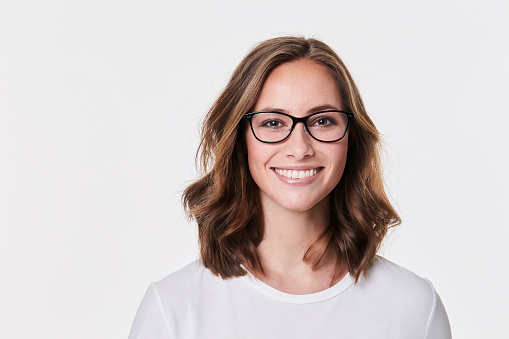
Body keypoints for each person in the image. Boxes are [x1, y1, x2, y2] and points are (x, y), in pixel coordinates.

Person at [128, 36, 451, 339]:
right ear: (241, 140)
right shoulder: (172, 310)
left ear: (352, 139)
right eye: (272, 122)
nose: (299, 148)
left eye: (323, 120)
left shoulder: (414, 307)